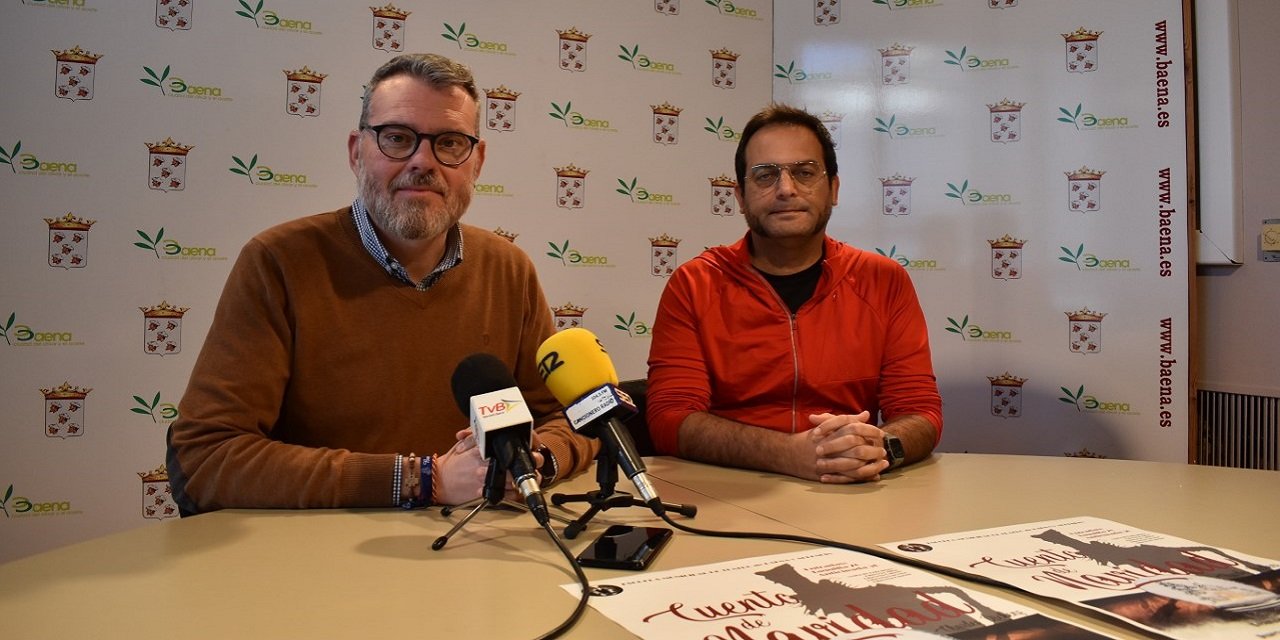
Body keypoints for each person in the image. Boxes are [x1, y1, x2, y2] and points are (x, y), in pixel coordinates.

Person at [166, 53, 597, 514]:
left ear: (477, 162)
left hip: (475, 550)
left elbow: (568, 417)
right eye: (397, 138)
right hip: (317, 557)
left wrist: (535, 460)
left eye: (450, 143)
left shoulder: (508, 268)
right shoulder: (278, 262)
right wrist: (419, 479)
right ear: (356, 151)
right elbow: (208, 457)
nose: (423, 161)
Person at [646, 104, 942, 484]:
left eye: (804, 173)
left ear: (833, 189)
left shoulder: (883, 280)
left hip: (851, 489)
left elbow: (921, 412)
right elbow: (670, 419)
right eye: (765, 175)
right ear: (739, 196)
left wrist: (880, 447)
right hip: (730, 492)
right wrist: (788, 454)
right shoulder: (693, 284)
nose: (786, 189)